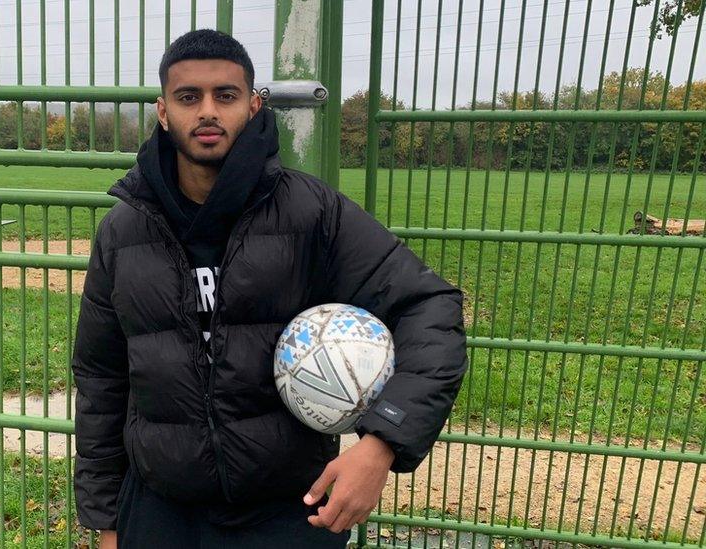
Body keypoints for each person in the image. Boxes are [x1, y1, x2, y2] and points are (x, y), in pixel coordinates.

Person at [71, 29, 468, 549]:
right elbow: (101, 378)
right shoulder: (123, 232)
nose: (207, 111)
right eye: (189, 97)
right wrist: (108, 521)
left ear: (255, 106)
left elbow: (430, 306)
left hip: (288, 508)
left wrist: (382, 443)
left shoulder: (312, 214)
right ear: (163, 112)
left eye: (226, 96)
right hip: (161, 508)